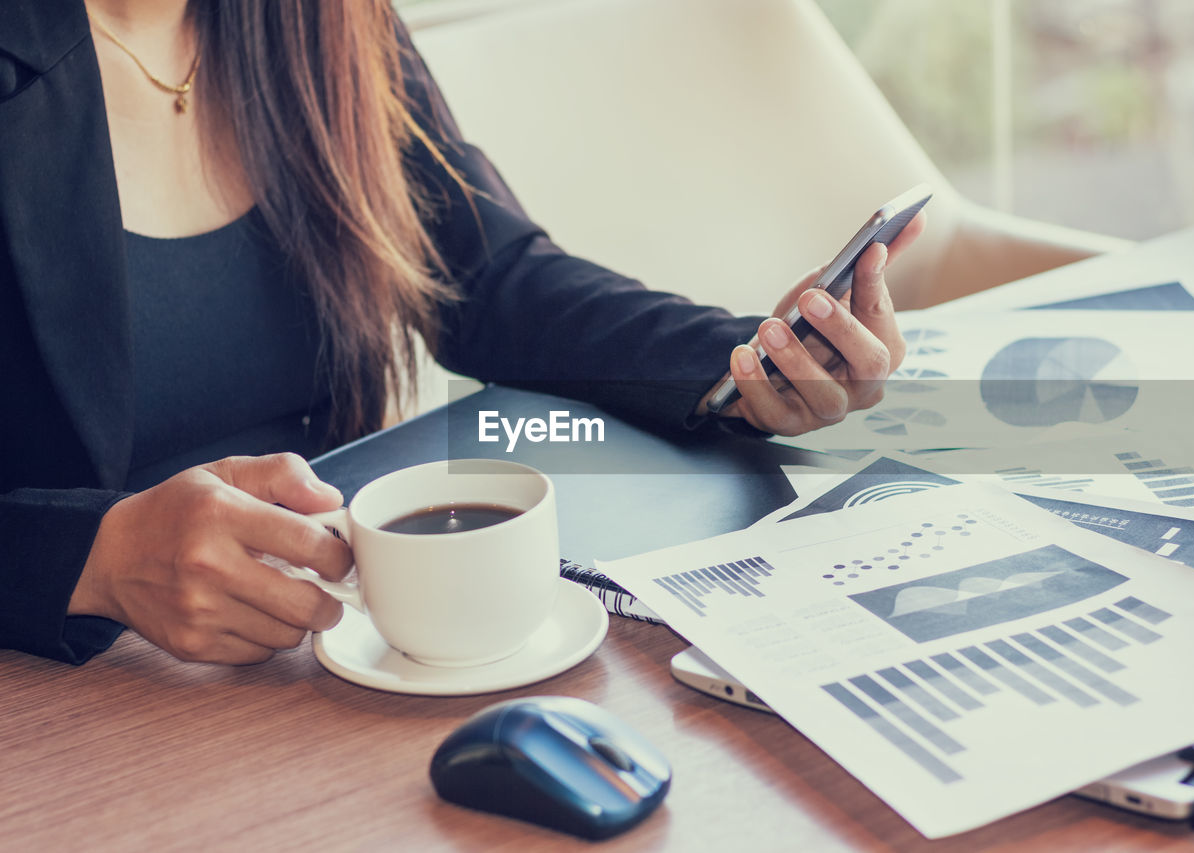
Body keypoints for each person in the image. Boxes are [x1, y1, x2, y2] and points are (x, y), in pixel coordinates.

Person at [0, 0, 923, 666]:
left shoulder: (319, 23)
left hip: (334, 649)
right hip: (69, 691)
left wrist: (743, 360)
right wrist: (93, 558)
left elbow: (488, 278)